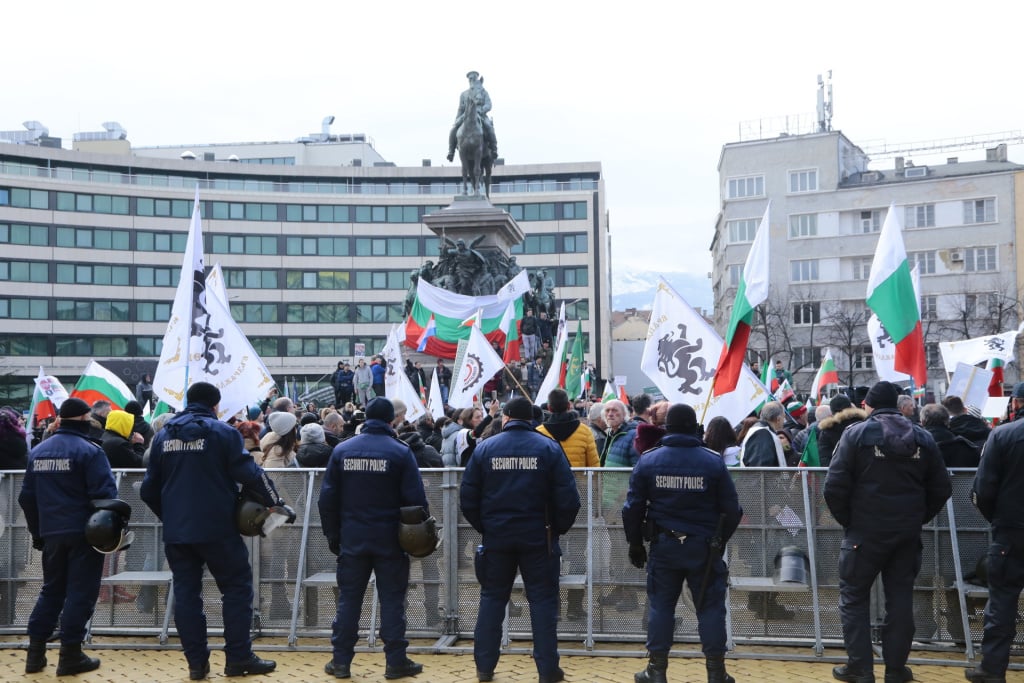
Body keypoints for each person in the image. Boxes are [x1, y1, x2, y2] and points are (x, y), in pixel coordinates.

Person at [141, 382, 284, 680]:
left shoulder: (164, 435)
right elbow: (251, 474)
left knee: (186, 594)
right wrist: (276, 503)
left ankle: (196, 665)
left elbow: (148, 490)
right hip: (219, 528)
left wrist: (170, 517)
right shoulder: (223, 433)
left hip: (178, 532)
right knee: (236, 589)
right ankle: (238, 658)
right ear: (216, 406)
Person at [824, 381, 951, 683]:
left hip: (864, 532)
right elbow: (941, 487)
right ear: (897, 404)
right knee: (900, 598)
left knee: (854, 598)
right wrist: (917, 517)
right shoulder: (922, 436)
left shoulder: (854, 435)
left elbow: (834, 487)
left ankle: (860, 668)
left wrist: (851, 521)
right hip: (905, 534)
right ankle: (895, 670)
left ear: (867, 404)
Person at [459, 397, 581, 683]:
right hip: (539, 536)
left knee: (492, 599)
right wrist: (556, 530)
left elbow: (468, 497)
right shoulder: (549, 447)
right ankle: (548, 669)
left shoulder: (485, 448)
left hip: (498, 537)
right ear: (531, 420)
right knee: (542, 602)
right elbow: (569, 499)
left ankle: (485, 667)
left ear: (505, 418)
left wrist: (485, 527)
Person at [623, 404, 742, 683]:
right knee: (710, 608)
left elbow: (632, 507)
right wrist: (719, 541)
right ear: (694, 428)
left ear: (668, 428)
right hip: (703, 547)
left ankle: (656, 670)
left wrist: (635, 543)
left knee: (661, 606)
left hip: (664, 546)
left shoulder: (649, 460)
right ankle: (716, 672)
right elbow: (732, 509)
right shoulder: (712, 461)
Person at [318, 397, 427, 679]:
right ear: (392, 420)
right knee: (392, 600)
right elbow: (416, 501)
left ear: (365, 418)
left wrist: (333, 534)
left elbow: (327, 499)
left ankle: (340, 662)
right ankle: (395, 661)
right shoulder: (400, 452)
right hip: (391, 538)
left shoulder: (342, 450)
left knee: (349, 600)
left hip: (352, 537)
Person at [18, 397, 117, 676]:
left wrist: (38, 532)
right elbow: (106, 497)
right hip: (85, 534)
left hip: (52, 533)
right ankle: (70, 655)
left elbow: (26, 497)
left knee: (51, 591)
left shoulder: (39, 451)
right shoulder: (90, 452)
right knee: (80, 593)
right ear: (86, 420)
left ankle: (35, 655)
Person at [966, 381, 1024, 682]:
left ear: (1016, 403)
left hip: (1011, 532)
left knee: (1001, 603)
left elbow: (983, 489)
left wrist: (998, 519)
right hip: (1009, 528)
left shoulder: (1003, 435)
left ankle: (992, 669)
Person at [536, 388, 598, 621]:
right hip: (578, 497)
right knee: (580, 553)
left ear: (549, 408)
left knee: (549, 550)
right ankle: (574, 607)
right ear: (570, 406)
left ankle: (555, 608)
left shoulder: (540, 432)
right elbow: (595, 466)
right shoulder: (584, 431)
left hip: (546, 501)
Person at [446, 70, 498, 163]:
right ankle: (451, 151)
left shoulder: (483, 92)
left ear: (476, 78)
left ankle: (494, 149)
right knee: (453, 129)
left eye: (473, 77)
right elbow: (460, 109)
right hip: (465, 116)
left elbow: (488, 104)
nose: (471, 79)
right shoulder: (463, 94)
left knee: (489, 128)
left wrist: (481, 110)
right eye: (470, 78)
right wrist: (457, 119)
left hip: (480, 115)